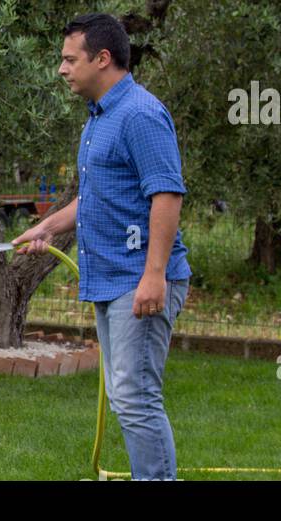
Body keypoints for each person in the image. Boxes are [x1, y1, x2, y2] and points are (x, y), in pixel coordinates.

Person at [13, 13, 192, 481]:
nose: (62, 69)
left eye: (70, 59)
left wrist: (153, 275)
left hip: (138, 280)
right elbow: (94, 200)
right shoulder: (99, 120)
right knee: (125, 395)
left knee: (135, 398)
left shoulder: (140, 114)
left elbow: (167, 194)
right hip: (112, 280)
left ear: (103, 58)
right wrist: (47, 227)